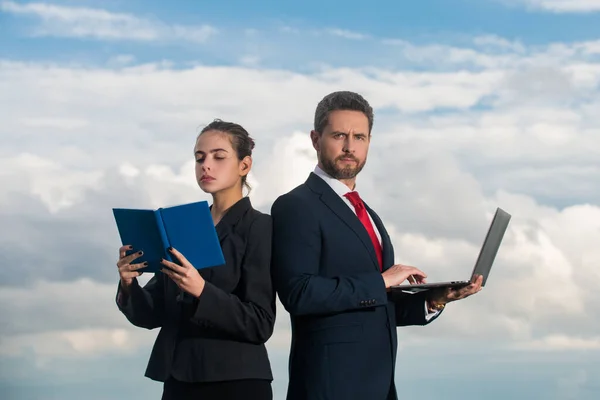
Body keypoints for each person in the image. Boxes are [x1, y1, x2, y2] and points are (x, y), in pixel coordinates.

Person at [271, 91, 483, 400]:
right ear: (316, 139)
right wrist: (382, 280)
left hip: (379, 385)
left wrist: (435, 300)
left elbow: (375, 306)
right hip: (328, 386)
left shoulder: (369, 215)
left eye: (359, 137)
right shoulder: (295, 206)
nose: (349, 147)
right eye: (339, 135)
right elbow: (299, 293)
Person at [115, 119, 276, 400]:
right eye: (199, 158)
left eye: (218, 156)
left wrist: (202, 290)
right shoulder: (183, 227)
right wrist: (129, 284)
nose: (206, 165)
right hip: (178, 380)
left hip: (235, 382)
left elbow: (260, 322)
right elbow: (152, 315)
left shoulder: (259, 227)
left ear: (244, 165)